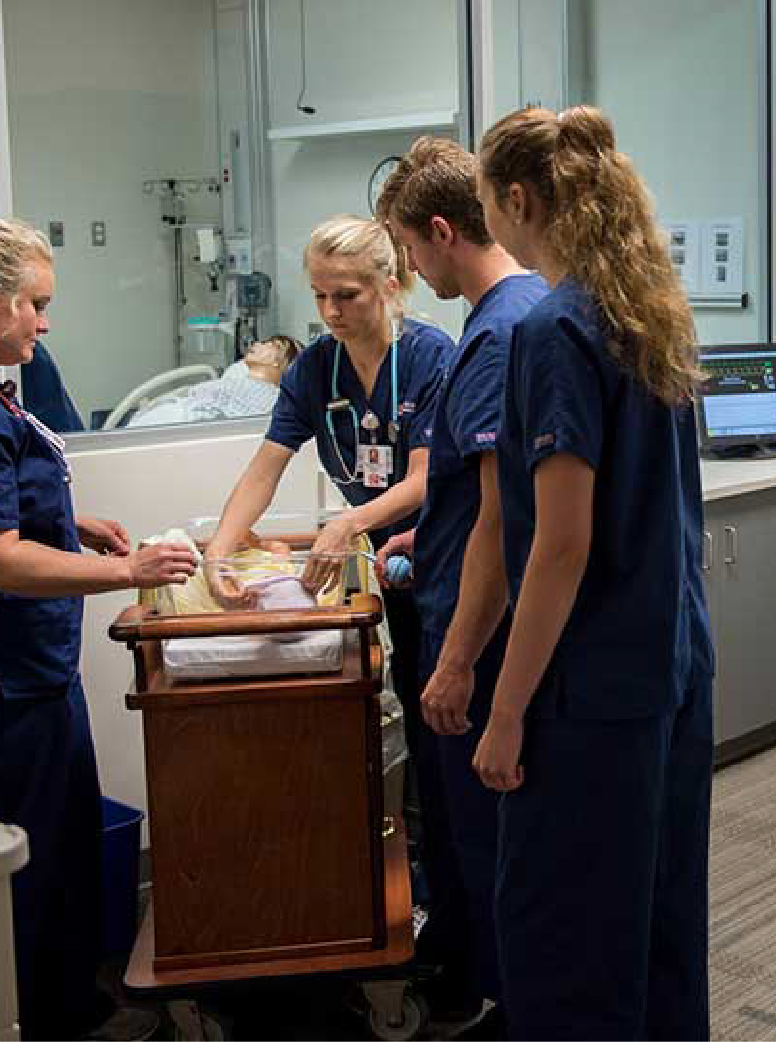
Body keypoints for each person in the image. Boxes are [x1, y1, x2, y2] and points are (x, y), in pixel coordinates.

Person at [0, 204, 199, 1040]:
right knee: (25, 868)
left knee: (62, 854)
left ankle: (72, 1007)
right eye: (35, 306)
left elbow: (1, 513)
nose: (43, 326)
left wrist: (71, 526)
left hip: (25, 680)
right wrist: (127, 570)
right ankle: (38, 1024)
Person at [461, 105, 715, 1039]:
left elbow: (559, 547)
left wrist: (504, 710)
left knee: (564, 937)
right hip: (670, 671)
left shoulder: (553, 331)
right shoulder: (650, 315)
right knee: (656, 920)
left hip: (590, 692)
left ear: (517, 200)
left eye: (486, 198)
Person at [197, 216, 466, 1001]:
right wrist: (220, 550)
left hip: (439, 569)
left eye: (346, 293)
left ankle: (457, 936)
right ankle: (404, 909)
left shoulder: (430, 359)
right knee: (401, 746)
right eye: (318, 294)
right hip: (383, 565)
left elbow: (424, 476)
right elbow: (265, 466)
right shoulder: (316, 369)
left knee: (442, 755)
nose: (331, 310)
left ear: (392, 282)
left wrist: (349, 518)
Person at [372, 135, 548, 1033]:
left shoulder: (494, 337)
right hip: (459, 602)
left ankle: (508, 1007)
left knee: (489, 842)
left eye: (406, 248)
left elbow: (500, 524)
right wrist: (420, 528)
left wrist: (456, 665)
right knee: (481, 836)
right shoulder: (527, 314)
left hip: (472, 636)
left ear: (440, 232)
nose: (408, 267)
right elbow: (480, 498)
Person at [125, 334, 302, 427]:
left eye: (268, 344)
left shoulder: (271, 399)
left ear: (279, 360)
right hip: (155, 424)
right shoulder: (235, 381)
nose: (257, 344)